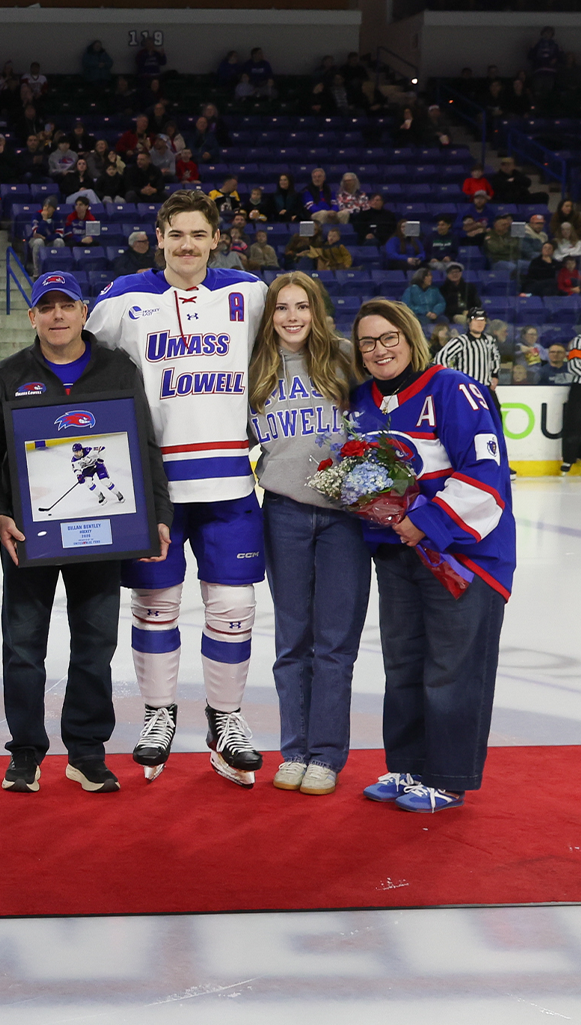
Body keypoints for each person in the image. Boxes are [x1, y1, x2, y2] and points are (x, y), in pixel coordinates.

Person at [86, 189, 270, 786]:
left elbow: (295, 352)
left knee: (234, 607)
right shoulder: (121, 298)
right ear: (157, 236)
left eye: (199, 234)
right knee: (156, 608)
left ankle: (226, 721)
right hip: (155, 486)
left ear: (216, 238)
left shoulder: (250, 293)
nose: (187, 245)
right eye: (176, 234)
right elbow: (83, 368)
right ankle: (159, 714)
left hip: (229, 481)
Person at [0, 271, 171, 794]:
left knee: (95, 644)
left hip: (103, 534)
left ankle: (85, 750)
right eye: (46, 307)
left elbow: (144, 445)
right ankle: (27, 752)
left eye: (66, 305)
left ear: (84, 313)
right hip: (30, 535)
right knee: (23, 646)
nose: (57, 315)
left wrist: (158, 514)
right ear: (32, 316)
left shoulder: (117, 368)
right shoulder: (10, 374)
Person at [348, 299, 514, 813]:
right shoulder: (361, 399)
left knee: (451, 668)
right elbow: (362, 478)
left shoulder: (453, 389)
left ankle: (446, 777)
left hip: (465, 557)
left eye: (389, 338)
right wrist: (374, 511)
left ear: (410, 337)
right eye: (368, 342)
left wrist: (426, 521)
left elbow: (487, 473)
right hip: (399, 555)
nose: (379, 350)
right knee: (403, 664)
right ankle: (407, 766)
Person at [245, 272, 367, 796]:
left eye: (302, 307)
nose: (292, 317)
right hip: (284, 514)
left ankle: (326, 755)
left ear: (317, 312)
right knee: (293, 642)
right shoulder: (255, 369)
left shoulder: (344, 359)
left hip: (346, 519)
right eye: (282, 308)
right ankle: (293, 749)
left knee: (335, 644)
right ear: (269, 315)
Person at [435, 307, 502, 397]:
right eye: (476, 320)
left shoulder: (489, 340)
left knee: (495, 411)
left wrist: (495, 375)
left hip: (485, 388)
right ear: (469, 322)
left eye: (483, 320)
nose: (480, 323)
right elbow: (441, 358)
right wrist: (451, 377)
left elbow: (495, 357)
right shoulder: (460, 341)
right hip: (466, 389)